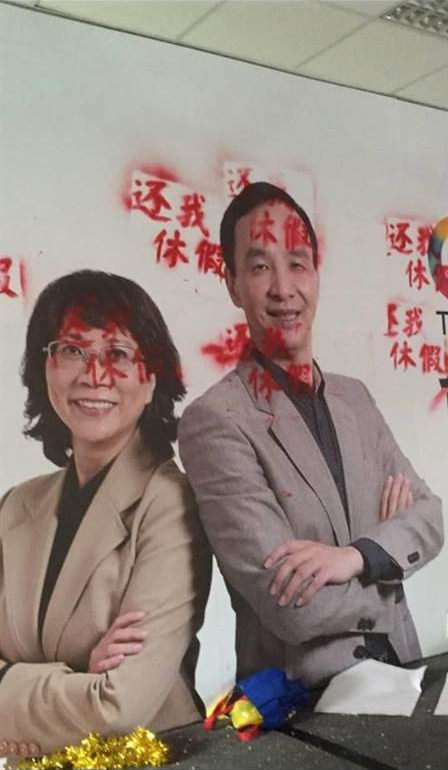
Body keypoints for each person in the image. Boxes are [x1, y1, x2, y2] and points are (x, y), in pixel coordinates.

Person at [179, 182, 443, 690]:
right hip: (302, 703)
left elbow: (431, 517)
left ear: (316, 274)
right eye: (260, 267)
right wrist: (389, 567)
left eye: (297, 263)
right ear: (232, 284)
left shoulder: (354, 398)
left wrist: (356, 556)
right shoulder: (216, 420)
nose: (283, 288)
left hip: (404, 674)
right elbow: (293, 608)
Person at [0, 270, 211, 758]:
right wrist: (80, 675)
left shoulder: (170, 503)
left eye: (118, 354)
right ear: (46, 366)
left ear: (152, 377)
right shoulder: (15, 506)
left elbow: (118, 706)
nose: (94, 375)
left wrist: (13, 678)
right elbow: (97, 698)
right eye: (73, 350)